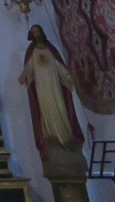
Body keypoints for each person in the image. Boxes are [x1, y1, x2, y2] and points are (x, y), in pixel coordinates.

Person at [18, 24, 84, 159]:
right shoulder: (32, 52)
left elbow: (60, 67)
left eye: (38, 31)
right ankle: (52, 137)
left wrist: (69, 77)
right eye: (34, 32)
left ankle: (66, 137)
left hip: (54, 85)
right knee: (47, 111)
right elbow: (28, 69)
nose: (36, 34)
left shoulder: (50, 50)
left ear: (42, 32)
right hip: (42, 88)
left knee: (60, 108)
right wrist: (24, 75)